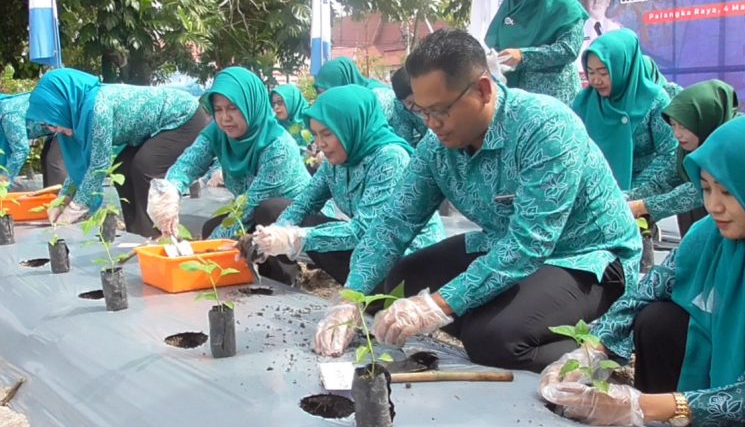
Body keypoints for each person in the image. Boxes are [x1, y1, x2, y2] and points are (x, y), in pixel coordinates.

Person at [313, 29, 641, 372]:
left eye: (440, 111)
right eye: (422, 112)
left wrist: (438, 305)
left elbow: (529, 245)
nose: (432, 125)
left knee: (493, 339)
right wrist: (349, 299)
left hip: (587, 260)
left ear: (483, 90)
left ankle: (601, 346)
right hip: (503, 245)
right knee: (394, 284)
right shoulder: (437, 147)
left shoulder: (545, 127)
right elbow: (394, 222)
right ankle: (501, 314)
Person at [539, 115, 745, 427]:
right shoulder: (708, 236)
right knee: (657, 319)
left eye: (728, 191)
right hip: (718, 381)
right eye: (707, 188)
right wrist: (592, 351)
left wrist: (643, 406)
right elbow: (647, 291)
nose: (713, 205)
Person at [248, 85, 445, 285]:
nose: (320, 143)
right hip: (366, 247)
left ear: (352, 126)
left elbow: (365, 231)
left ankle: (371, 297)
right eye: (316, 135)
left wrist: (296, 238)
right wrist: (274, 234)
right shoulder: (337, 161)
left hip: (406, 258)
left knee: (343, 246)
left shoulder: (390, 158)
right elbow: (304, 203)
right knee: (273, 209)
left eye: (327, 134)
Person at [27, 68, 209, 237]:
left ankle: (160, 237)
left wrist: (75, 208)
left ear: (63, 106)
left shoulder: (96, 108)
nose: (53, 129)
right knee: (122, 170)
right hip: (154, 129)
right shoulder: (77, 115)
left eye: (53, 122)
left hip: (184, 118)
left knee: (144, 167)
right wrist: (63, 199)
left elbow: (98, 165)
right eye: (47, 125)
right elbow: (81, 168)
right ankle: (137, 235)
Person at [147, 66, 310, 242]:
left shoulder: (278, 146)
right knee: (210, 227)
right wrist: (170, 191)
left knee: (267, 213)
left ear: (251, 104)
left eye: (233, 108)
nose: (225, 117)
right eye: (218, 109)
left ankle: (286, 270)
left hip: (297, 218)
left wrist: (206, 251)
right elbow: (189, 163)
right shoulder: (218, 133)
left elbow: (250, 204)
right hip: (251, 211)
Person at [572, 28, 678, 208]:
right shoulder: (583, 103)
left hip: (637, 199)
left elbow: (670, 154)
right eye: (590, 72)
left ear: (624, 67)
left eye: (604, 73)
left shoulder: (655, 101)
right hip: (591, 197)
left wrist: (631, 195)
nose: (596, 80)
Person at [484, 0, 587, 105]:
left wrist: (524, 56)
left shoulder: (564, 6)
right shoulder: (511, 7)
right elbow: (496, 44)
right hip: (518, 102)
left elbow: (568, 49)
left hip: (556, 101)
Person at [630, 80, 740, 236]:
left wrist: (642, 206)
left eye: (683, 126)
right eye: (673, 125)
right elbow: (661, 182)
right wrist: (619, 198)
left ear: (705, 118)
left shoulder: (735, 146)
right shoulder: (688, 150)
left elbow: (695, 191)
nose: (677, 134)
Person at [314, 57, 420, 145]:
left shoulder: (376, 97)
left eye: (328, 93)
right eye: (320, 93)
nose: (325, 100)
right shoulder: (351, 101)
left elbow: (356, 132)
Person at [576, 0, 622, 77]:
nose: (597, 1)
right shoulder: (575, 29)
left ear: (609, 0)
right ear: (584, 0)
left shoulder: (616, 30)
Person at [390, 67, 428, 146]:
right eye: (409, 103)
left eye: (418, 99)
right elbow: (404, 141)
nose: (417, 107)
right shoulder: (400, 107)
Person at [269, 85, 313, 152]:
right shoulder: (275, 125)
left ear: (292, 100)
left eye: (280, 102)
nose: (276, 107)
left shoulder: (311, 119)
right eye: (273, 104)